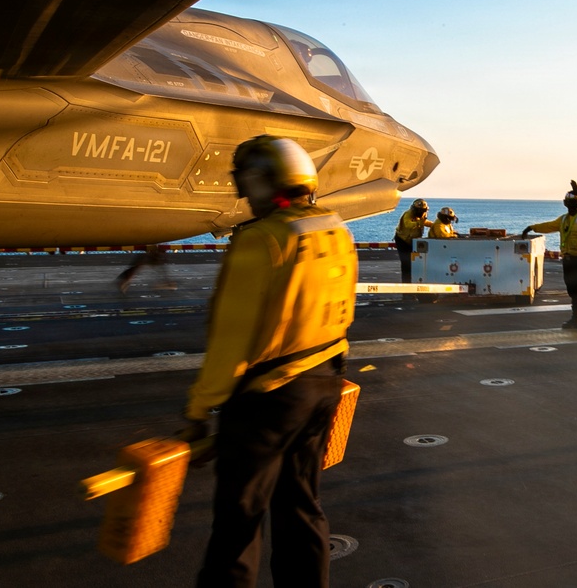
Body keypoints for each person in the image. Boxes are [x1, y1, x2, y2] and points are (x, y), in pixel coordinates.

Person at [177, 135, 358, 587]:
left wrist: (199, 411)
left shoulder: (261, 240)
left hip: (268, 399)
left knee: (239, 521)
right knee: (301, 507)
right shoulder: (336, 229)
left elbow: (229, 342)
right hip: (324, 385)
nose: (242, 194)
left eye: (245, 183)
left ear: (260, 181)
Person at [522, 180, 577, 331]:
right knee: (573, 290)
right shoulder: (563, 219)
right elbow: (549, 226)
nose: (570, 205)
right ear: (565, 204)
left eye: (573, 202)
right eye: (569, 202)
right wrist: (532, 227)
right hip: (569, 259)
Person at [393, 198, 433, 283]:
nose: (421, 212)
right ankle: (406, 285)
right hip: (402, 240)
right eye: (419, 210)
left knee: (414, 263)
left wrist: (434, 225)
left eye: (422, 210)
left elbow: (425, 222)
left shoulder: (421, 216)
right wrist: (420, 223)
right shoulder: (408, 214)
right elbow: (408, 225)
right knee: (406, 264)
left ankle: (412, 282)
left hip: (412, 241)